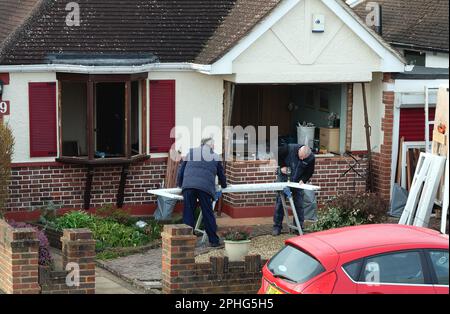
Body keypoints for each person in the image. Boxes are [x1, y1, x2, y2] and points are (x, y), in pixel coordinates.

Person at [176, 137, 227, 247]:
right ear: (211, 146)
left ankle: (187, 241)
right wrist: (224, 186)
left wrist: (180, 185)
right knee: (207, 213)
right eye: (213, 145)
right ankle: (214, 240)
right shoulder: (215, 156)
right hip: (205, 188)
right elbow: (221, 175)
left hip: (188, 186)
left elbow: (181, 170)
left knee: (188, 213)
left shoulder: (191, 152)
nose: (214, 146)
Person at [272, 144, 315, 236]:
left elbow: (309, 172)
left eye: (304, 158)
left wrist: (303, 180)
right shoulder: (288, 149)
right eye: (301, 157)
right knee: (280, 203)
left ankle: (299, 227)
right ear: (299, 151)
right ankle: (277, 227)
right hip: (283, 178)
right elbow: (275, 152)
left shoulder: (311, 158)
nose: (302, 159)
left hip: (297, 181)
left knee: (299, 204)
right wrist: (282, 165)